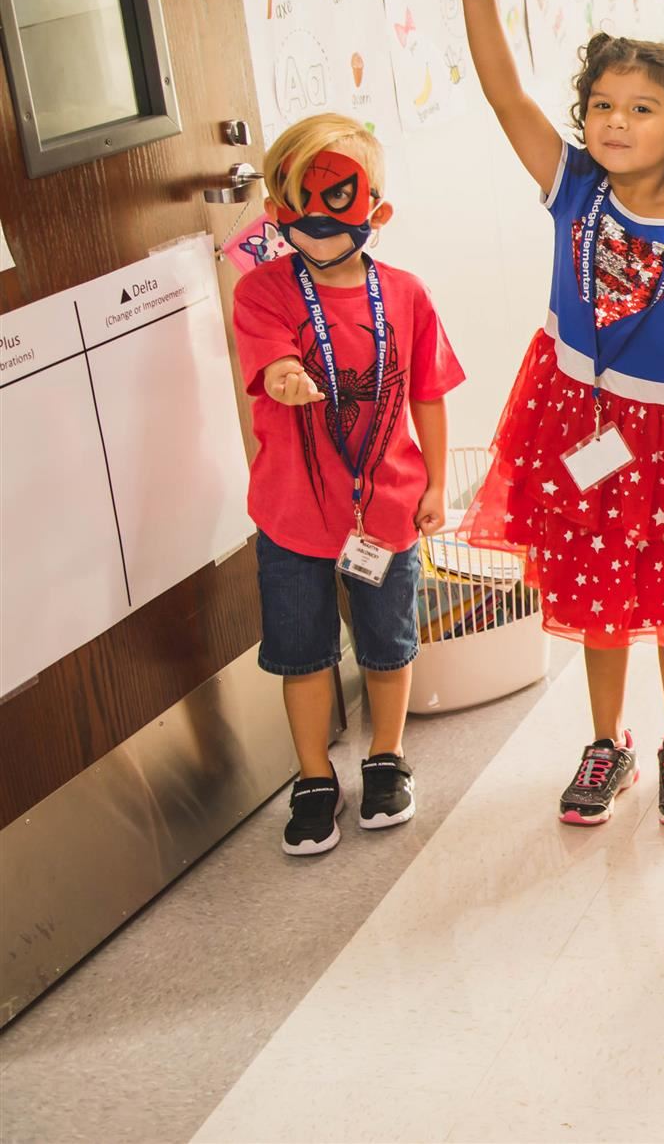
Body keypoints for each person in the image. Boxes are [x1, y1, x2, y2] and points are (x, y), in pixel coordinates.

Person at [444, 0, 664, 827]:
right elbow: (505, 97)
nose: (615, 122)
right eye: (603, 106)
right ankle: (606, 744)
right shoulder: (574, 186)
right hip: (573, 416)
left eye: (641, 108)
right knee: (596, 593)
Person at [232, 113, 464, 856]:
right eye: (300, 200)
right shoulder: (264, 291)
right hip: (292, 513)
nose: (319, 219)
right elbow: (268, 360)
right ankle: (312, 776)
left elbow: (429, 390)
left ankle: (385, 757)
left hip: (387, 505)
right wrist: (285, 374)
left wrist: (433, 479)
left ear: (377, 212)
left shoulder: (406, 294)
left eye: (340, 199)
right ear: (275, 212)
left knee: (388, 643)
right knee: (300, 651)